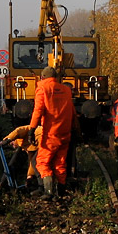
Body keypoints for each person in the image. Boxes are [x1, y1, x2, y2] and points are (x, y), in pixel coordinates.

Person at [29, 66, 80, 199]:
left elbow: (38, 110)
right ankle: (61, 190)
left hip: (51, 133)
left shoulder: (42, 88)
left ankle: (49, 192)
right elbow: (72, 111)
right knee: (60, 162)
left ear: (42, 77)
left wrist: (32, 129)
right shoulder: (66, 90)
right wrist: (76, 128)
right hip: (65, 133)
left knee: (42, 162)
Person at [0, 125, 43, 189]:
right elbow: (31, 160)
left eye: (12, 143)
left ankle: (42, 186)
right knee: (34, 161)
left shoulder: (20, 137)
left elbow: (18, 131)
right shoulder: (26, 146)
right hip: (42, 143)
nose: (13, 146)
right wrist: (29, 176)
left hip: (44, 137)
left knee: (36, 162)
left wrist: (7, 140)